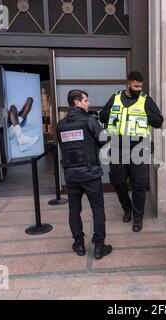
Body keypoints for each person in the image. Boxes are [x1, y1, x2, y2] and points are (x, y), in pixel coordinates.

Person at [99, 71, 164, 232]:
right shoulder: (115, 98)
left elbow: (159, 121)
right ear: (128, 83)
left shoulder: (146, 100)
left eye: (141, 86)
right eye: (136, 85)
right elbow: (102, 117)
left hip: (139, 149)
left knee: (139, 185)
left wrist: (146, 114)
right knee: (118, 182)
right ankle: (127, 208)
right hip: (117, 147)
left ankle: (137, 217)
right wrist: (111, 114)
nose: (139, 89)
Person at [56, 90, 112, 260]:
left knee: (74, 210)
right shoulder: (89, 121)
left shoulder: (61, 125)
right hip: (90, 174)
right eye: (86, 100)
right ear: (77, 102)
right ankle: (99, 247)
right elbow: (105, 140)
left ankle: (79, 244)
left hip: (71, 175)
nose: (89, 103)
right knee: (98, 209)